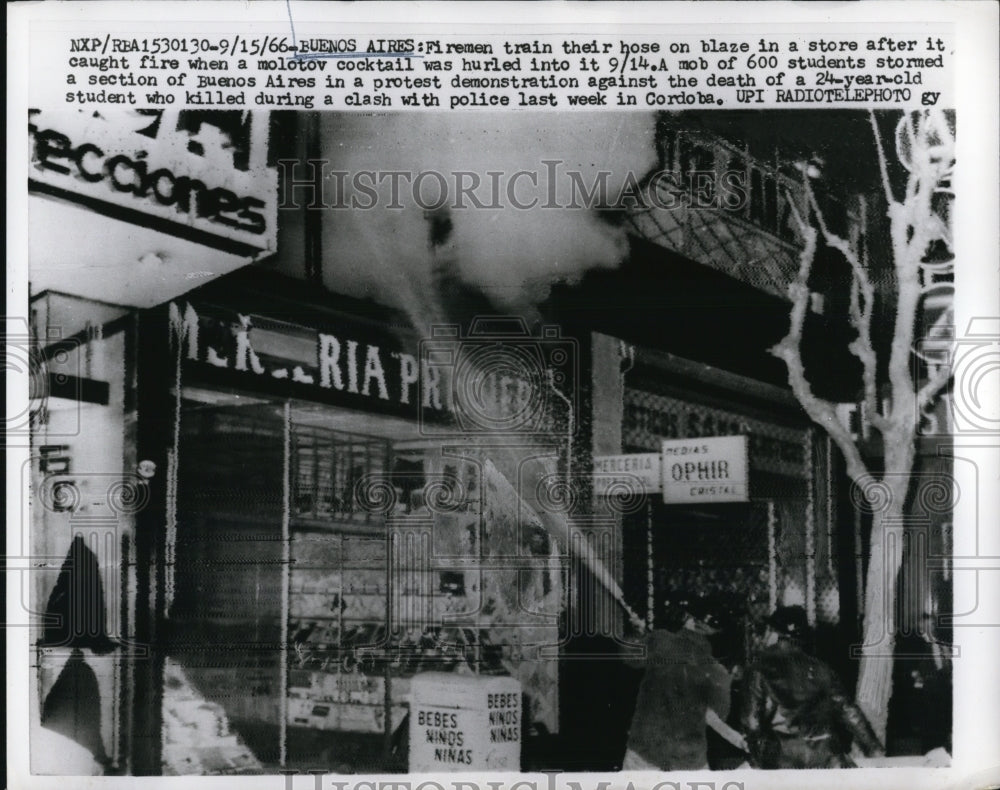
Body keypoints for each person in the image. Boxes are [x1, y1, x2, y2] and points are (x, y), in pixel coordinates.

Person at [739, 605, 884, 768]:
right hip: (827, 756)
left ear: (773, 633)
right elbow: (849, 711)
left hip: (783, 760)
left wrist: (757, 759)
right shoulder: (821, 668)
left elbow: (752, 723)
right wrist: (873, 748)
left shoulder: (758, 669)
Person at [622, 597, 734, 771]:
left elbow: (629, 657)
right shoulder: (718, 673)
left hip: (645, 751)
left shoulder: (660, 641)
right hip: (689, 759)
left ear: (689, 620)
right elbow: (721, 714)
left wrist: (637, 633)